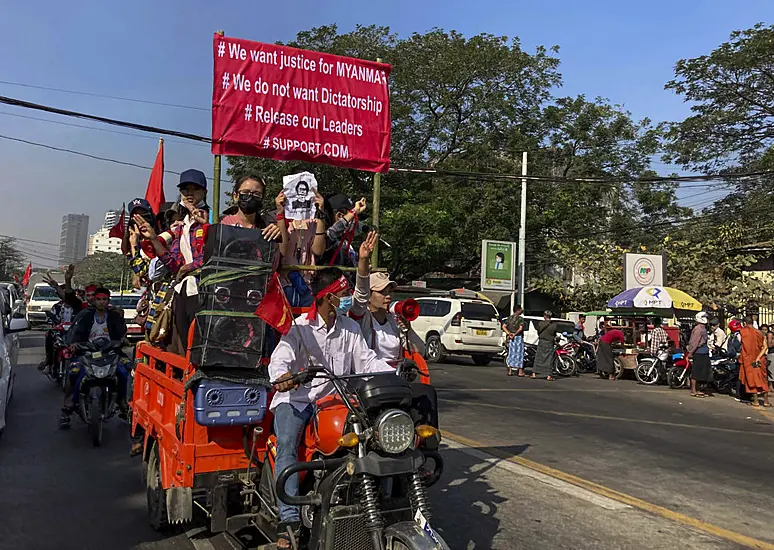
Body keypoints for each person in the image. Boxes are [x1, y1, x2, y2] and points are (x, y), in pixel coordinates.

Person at [268, 266, 393, 548]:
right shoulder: (299, 327)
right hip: (298, 399)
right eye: (343, 293)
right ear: (328, 297)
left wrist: (394, 374)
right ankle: (288, 518)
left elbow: (367, 362)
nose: (348, 297)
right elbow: (280, 359)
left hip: (337, 401)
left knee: (372, 439)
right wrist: (284, 377)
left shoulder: (349, 327)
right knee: (287, 443)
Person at [135, 169, 209, 354]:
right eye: (185, 190)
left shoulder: (212, 219)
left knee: (198, 343)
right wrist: (152, 238)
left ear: (204, 192)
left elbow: (210, 254)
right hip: (181, 290)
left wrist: (189, 267)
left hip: (204, 289)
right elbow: (174, 263)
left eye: (195, 189)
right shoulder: (181, 225)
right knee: (179, 344)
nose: (190, 194)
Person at [350, 231, 425, 364]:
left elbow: (420, 351)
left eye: (390, 291)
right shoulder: (362, 319)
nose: (388, 296)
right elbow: (360, 295)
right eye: (382, 292)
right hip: (371, 380)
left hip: (394, 380)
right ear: (369, 296)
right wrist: (363, 260)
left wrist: (408, 330)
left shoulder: (393, 321)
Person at [60, 287, 129, 429]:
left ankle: (122, 402)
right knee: (75, 372)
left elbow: (122, 334)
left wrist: (123, 340)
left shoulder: (115, 316)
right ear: (94, 300)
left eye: (104, 299)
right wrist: (74, 345)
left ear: (108, 301)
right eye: (99, 299)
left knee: (123, 372)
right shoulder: (85, 315)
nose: (102, 302)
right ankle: (70, 403)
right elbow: (76, 333)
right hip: (87, 353)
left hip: (110, 353)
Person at [275, 186, 327, 307]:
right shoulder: (279, 218)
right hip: (284, 284)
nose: (302, 193)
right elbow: (282, 248)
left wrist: (321, 213)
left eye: (306, 190)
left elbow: (318, 251)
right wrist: (280, 214)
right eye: (299, 189)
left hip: (307, 286)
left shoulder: (314, 221)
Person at [321, 194, 368, 268]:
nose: (356, 222)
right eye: (353, 217)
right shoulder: (324, 241)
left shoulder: (347, 245)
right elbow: (332, 232)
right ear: (339, 216)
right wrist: (354, 211)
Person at [738, 316, 771, 407]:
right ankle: (766, 401)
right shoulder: (759, 333)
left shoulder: (742, 332)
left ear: (744, 323)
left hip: (749, 359)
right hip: (760, 360)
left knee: (751, 380)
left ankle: (755, 401)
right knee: (763, 379)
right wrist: (758, 357)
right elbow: (765, 347)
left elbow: (740, 346)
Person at [686, 312, 712, 398]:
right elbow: (694, 342)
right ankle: (693, 390)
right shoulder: (698, 329)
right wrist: (690, 353)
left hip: (703, 352)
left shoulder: (703, 328)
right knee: (696, 372)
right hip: (698, 352)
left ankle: (698, 389)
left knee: (702, 372)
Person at [532, 310, 557, 381]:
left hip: (541, 342)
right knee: (549, 359)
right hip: (549, 343)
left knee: (538, 357)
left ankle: (534, 373)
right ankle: (549, 376)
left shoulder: (540, 324)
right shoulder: (554, 325)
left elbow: (538, 331)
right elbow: (554, 334)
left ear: (545, 316)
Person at [502, 306, 525, 377]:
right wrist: (515, 334)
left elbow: (503, 326)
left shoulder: (510, 318)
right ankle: (520, 371)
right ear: (518, 310)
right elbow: (520, 328)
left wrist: (509, 333)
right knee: (519, 354)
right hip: (518, 337)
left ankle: (510, 370)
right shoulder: (520, 319)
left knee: (511, 353)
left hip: (511, 337)